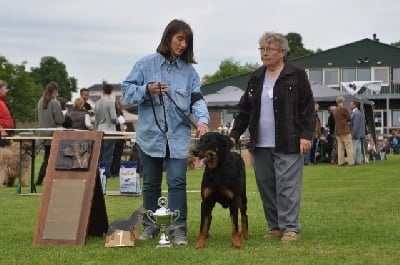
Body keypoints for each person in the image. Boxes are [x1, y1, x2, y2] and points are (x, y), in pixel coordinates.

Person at [122, 19, 209, 245]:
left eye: (186, 42)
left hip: (178, 138)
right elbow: (126, 93)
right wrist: (146, 89)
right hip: (150, 138)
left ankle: (178, 229)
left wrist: (202, 121)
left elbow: (197, 99)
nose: (182, 45)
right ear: (168, 37)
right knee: (150, 183)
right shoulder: (145, 65)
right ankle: (150, 226)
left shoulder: (190, 72)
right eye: (179, 39)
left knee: (177, 181)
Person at [229, 32, 315, 243]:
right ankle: (275, 226)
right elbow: (244, 109)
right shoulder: (256, 76)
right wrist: (233, 135)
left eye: (269, 49)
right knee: (266, 185)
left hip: (288, 140)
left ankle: (290, 228)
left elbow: (308, 107)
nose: (264, 53)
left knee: (287, 185)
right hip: (260, 142)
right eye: (262, 49)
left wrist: (306, 135)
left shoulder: (296, 74)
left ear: (282, 52)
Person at [35, 82, 65, 185]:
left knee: (47, 158)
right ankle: (41, 180)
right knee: (50, 159)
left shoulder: (40, 101)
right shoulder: (55, 103)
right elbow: (60, 120)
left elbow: (36, 117)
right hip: (53, 134)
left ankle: (41, 179)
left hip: (42, 133)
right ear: (55, 91)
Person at [95, 83, 119, 180]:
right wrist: (118, 121)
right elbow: (113, 117)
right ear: (111, 92)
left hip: (100, 129)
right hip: (109, 130)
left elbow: (96, 120)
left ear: (103, 91)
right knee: (108, 153)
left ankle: (99, 172)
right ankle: (107, 174)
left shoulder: (97, 103)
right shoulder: (111, 102)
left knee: (100, 153)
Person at [334, 96, 354, 166]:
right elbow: (349, 118)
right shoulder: (344, 109)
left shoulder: (335, 110)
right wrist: (345, 120)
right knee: (349, 146)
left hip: (338, 131)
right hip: (345, 130)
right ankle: (351, 162)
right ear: (342, 101)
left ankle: (341, 162)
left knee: (340, 148)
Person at [110, 99, 126, 178]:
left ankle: (111, 171)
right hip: (119, 139)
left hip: (111, 138)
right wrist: (125, 138)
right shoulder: (120, 117)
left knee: (111, 156)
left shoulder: (111, 118)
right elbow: (122, 129)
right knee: (118, 156)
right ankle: (116, 173)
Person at [350, 101, 366, 165]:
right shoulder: (360, 113)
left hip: (356, 134)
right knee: (358, 149)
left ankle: (352, 161)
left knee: (354, 148)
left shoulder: (356, 113)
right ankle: (358, 161)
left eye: (351, 104)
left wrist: (353, 134)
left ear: (354, 105)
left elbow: (355, 125)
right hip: (360, 134)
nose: (350, 106)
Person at [0, 80, 15, 147]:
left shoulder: (3, 101)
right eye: (5, 88)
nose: (7, 90)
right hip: (2, 133)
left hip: (7, 132)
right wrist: (1, 130)